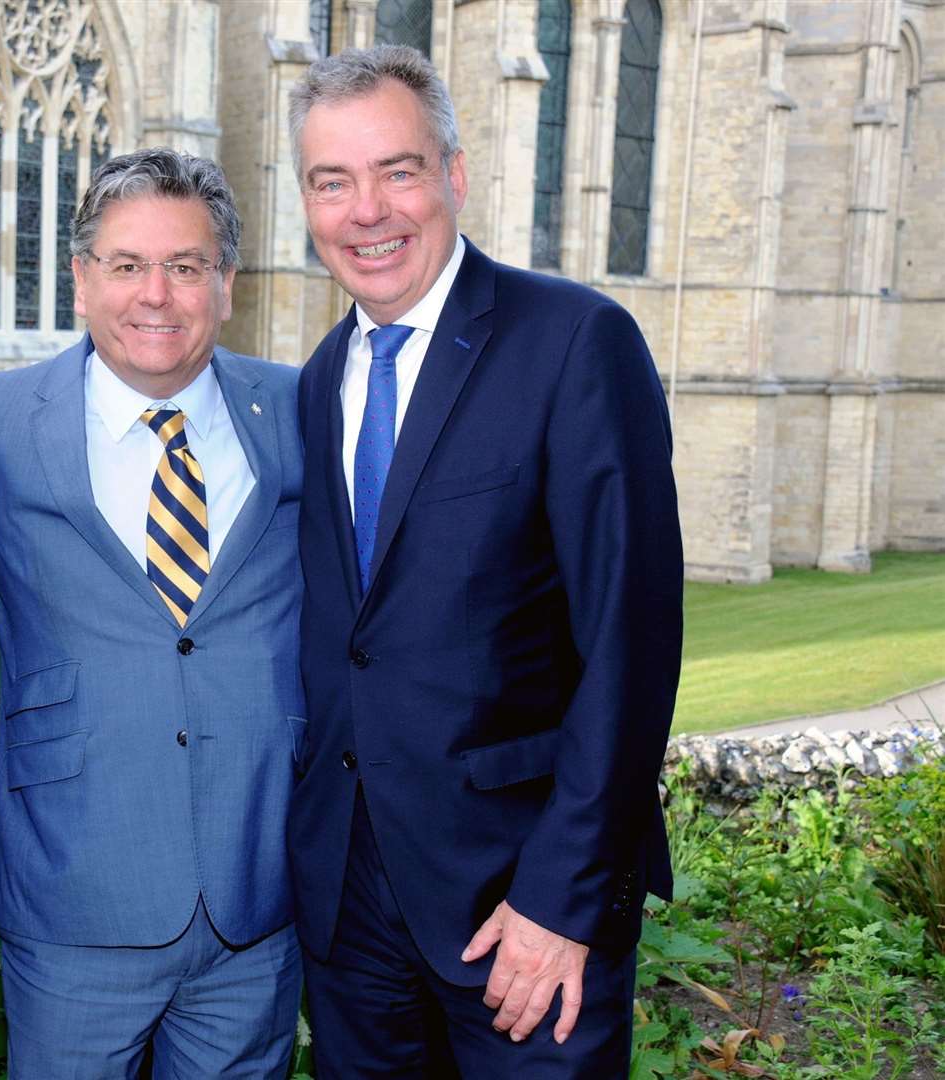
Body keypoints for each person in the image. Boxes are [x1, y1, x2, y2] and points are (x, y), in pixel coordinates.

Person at [287, 45, 684, 1077]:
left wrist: (562, 902)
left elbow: (630, 651)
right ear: (308, 203)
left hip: (521, 914)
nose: (366, 209)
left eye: (397, 171)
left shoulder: (574, 343)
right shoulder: (319, 377)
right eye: (333, 181)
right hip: (352, 917)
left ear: (455, 177)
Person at [0, 148, 303, 1079]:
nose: (157, 294)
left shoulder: (299, 411)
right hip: (74, 901)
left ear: (225, 284)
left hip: (255, 899)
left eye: (186, 266)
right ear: (79, 278)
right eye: (126, 265)